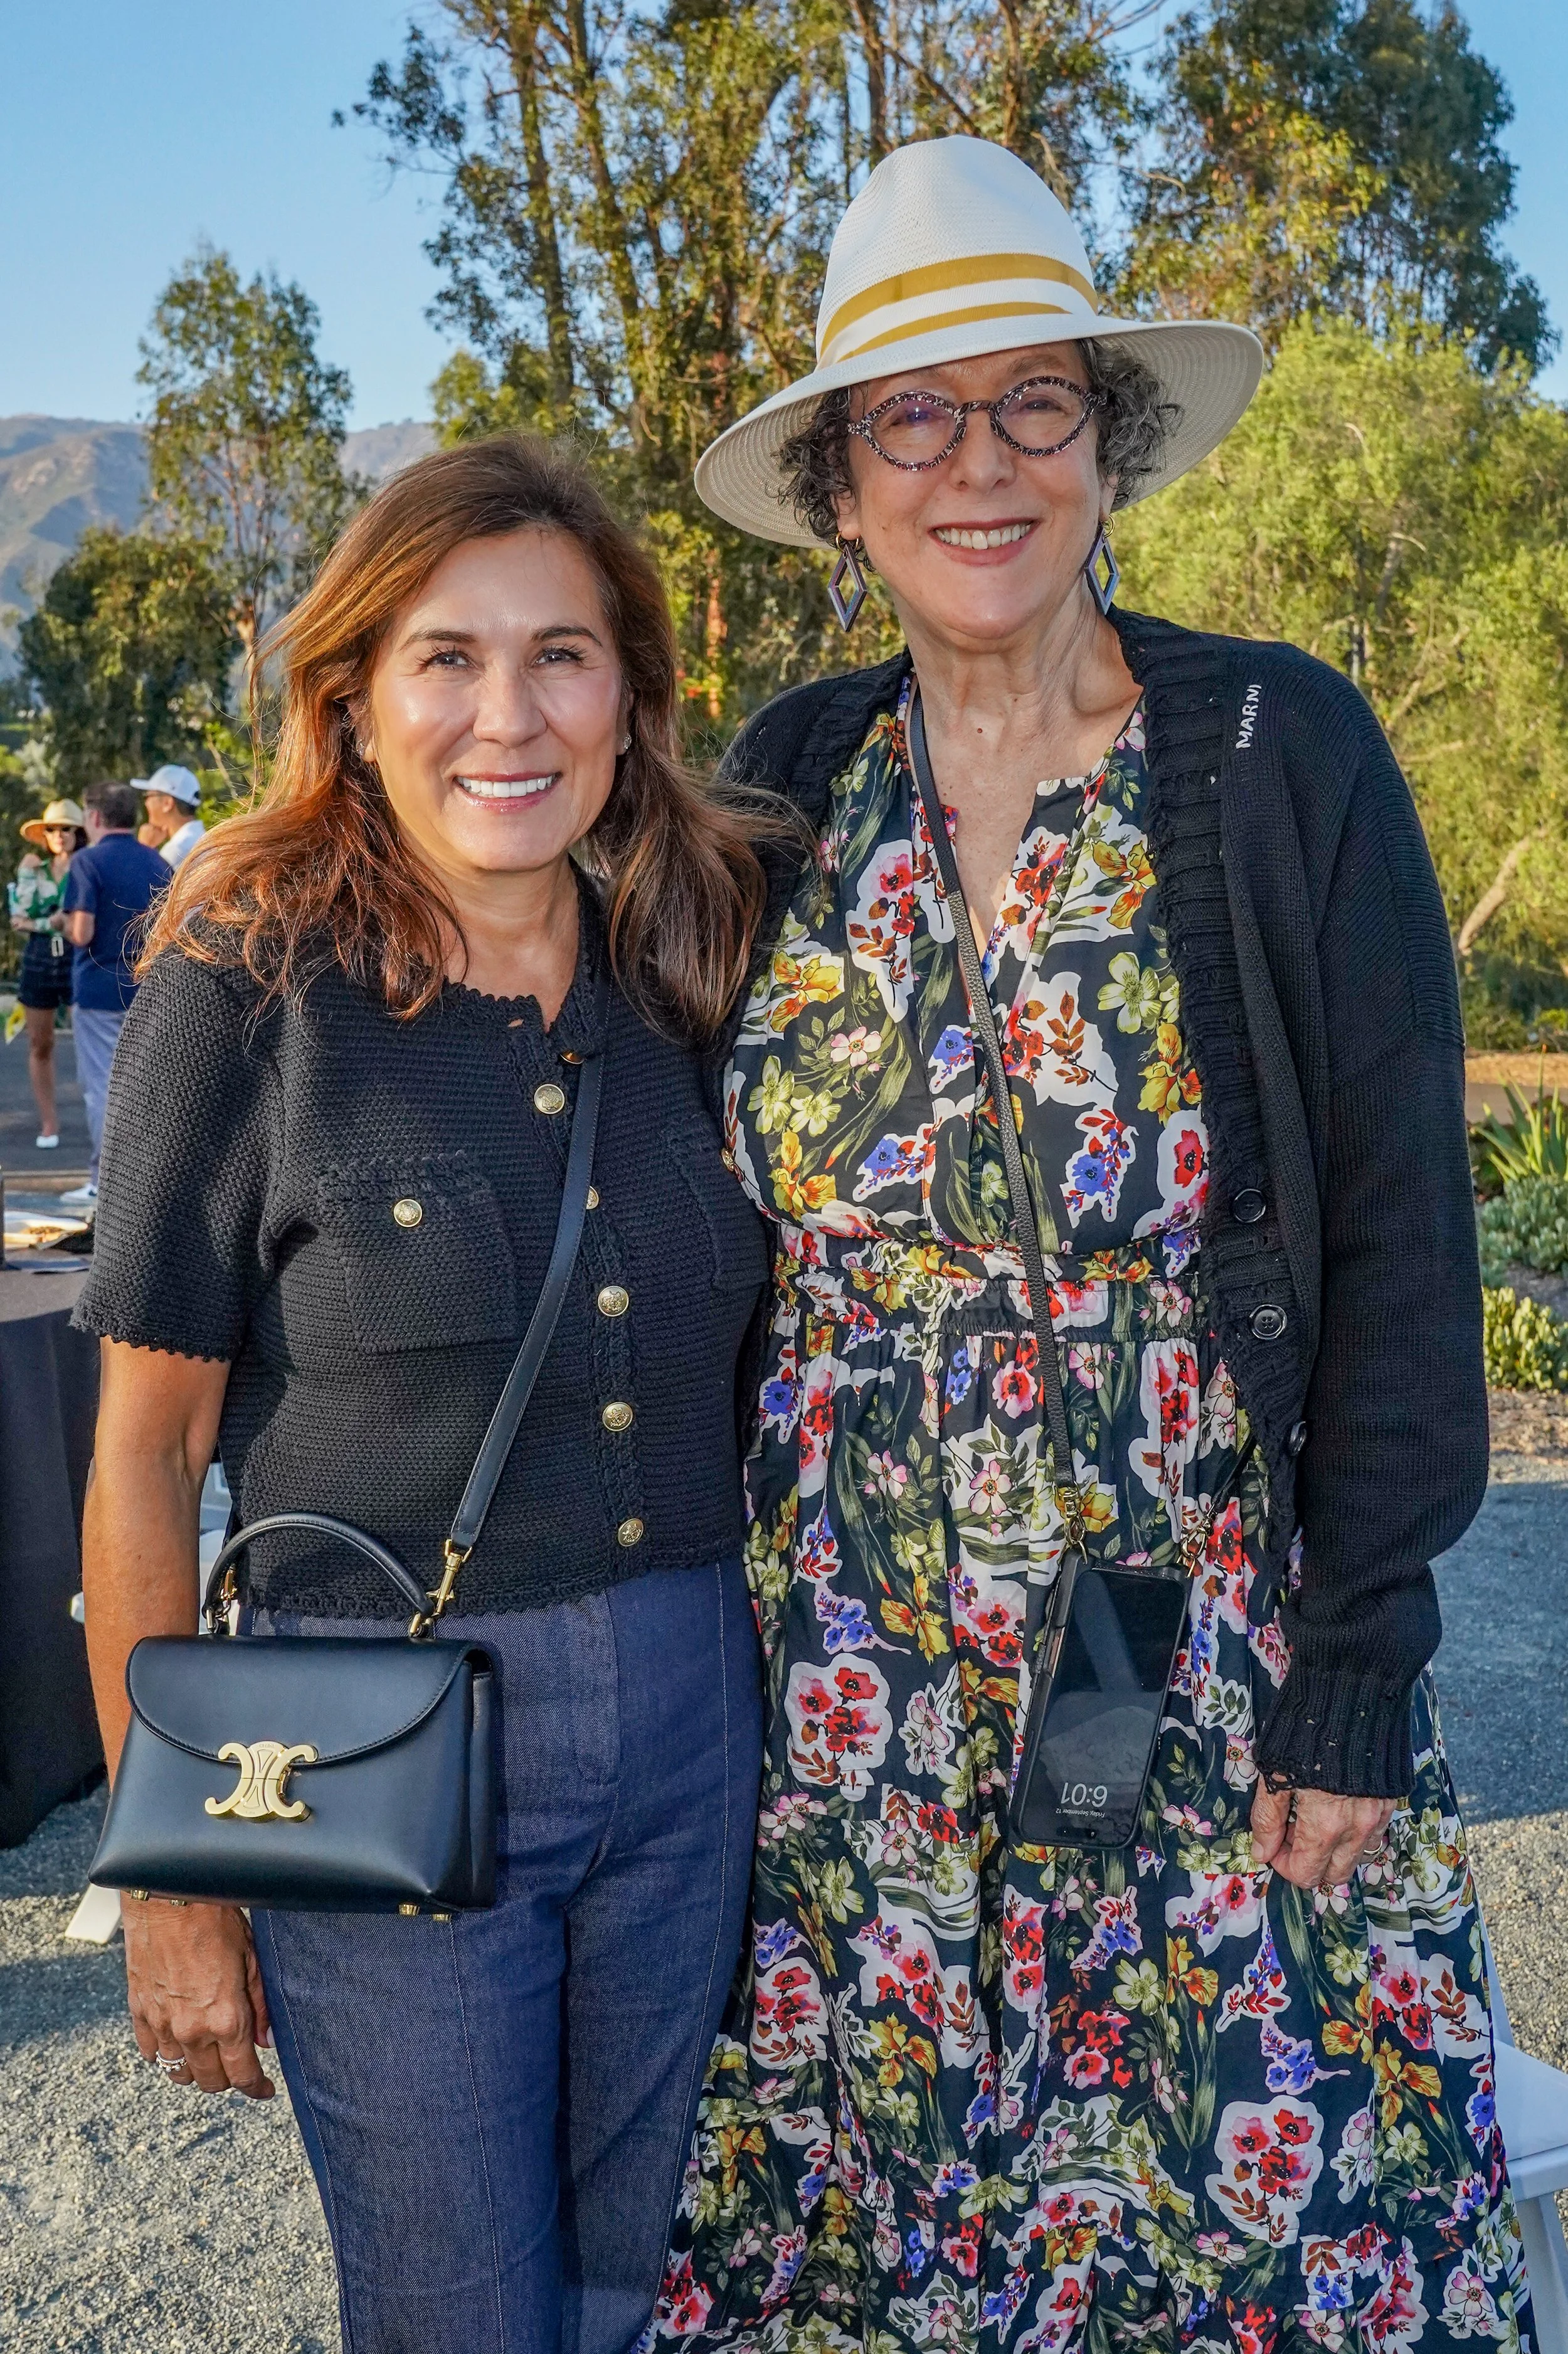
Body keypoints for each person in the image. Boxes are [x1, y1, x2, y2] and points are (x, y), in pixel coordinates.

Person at [642, 139, 1528, 2352]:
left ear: (1108, 443)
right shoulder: (780, 782)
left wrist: (1361, 1647)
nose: (980, 466)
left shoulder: (1274, 747)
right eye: (914, 419)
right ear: (844, 482)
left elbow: (1408, 1231)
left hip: (1210, 1662)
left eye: (1035, 402)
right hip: (848, 1697)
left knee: (1255, 2208)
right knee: (886, 2224)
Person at [77, 435, 781, 2354]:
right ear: (354, 698)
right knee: (457, 2312)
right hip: (376, 1717)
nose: (507, 713)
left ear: (630, 702)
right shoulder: (246, 991)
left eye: (561, 656)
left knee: (630, 2279)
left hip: (691, 1717)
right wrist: (175, 1884)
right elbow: (143, 1464)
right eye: (446, 659)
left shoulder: (695, 966)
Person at [61, 782, 169, 1206]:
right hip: (148, 988)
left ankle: (103, 1182)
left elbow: (82, 930)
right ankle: (144, 1183)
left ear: (95, 818)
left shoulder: (86, 862)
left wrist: (62, 924)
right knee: (147, 1087)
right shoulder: (158, 862)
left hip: (98, 988)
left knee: (102, 1088)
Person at [9, 797, 85, 1148]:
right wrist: (50, 922)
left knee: (88, 1039)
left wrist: (45, 923)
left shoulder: (86, 866)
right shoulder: (33, 869)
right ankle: (49, 1123)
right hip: (40, 958)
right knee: (41, 1043)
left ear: (78, 832)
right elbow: (18, 919)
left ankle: (103, 1119)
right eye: (52, 829)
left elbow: (76, 921)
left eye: (65, 828)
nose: (58, 835)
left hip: (76, 955)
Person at [134, 762, 206, 867]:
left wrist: (144, 849)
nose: (146, 803)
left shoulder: (178, 850)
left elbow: (141, 880)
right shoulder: (199, 838)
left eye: (149, 796)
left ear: (168, 803)